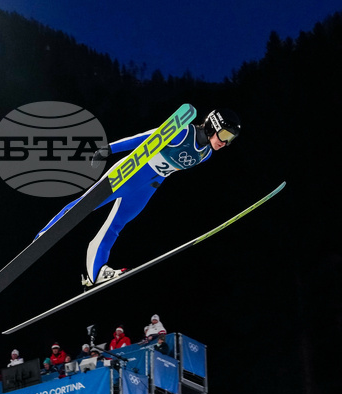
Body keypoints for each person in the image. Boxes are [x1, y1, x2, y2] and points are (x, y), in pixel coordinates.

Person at [37, 109, 240, 287]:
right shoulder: (183, 132)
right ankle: (45, 233)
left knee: (116, 225)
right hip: (130, 173)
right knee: (85, 206)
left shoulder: (206, 154)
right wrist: (108, 149)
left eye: (230, 139)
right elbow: (143, 138)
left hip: (149, 186)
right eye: (225, 134)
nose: (225, 142)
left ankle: (96, 272)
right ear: (213, 125)